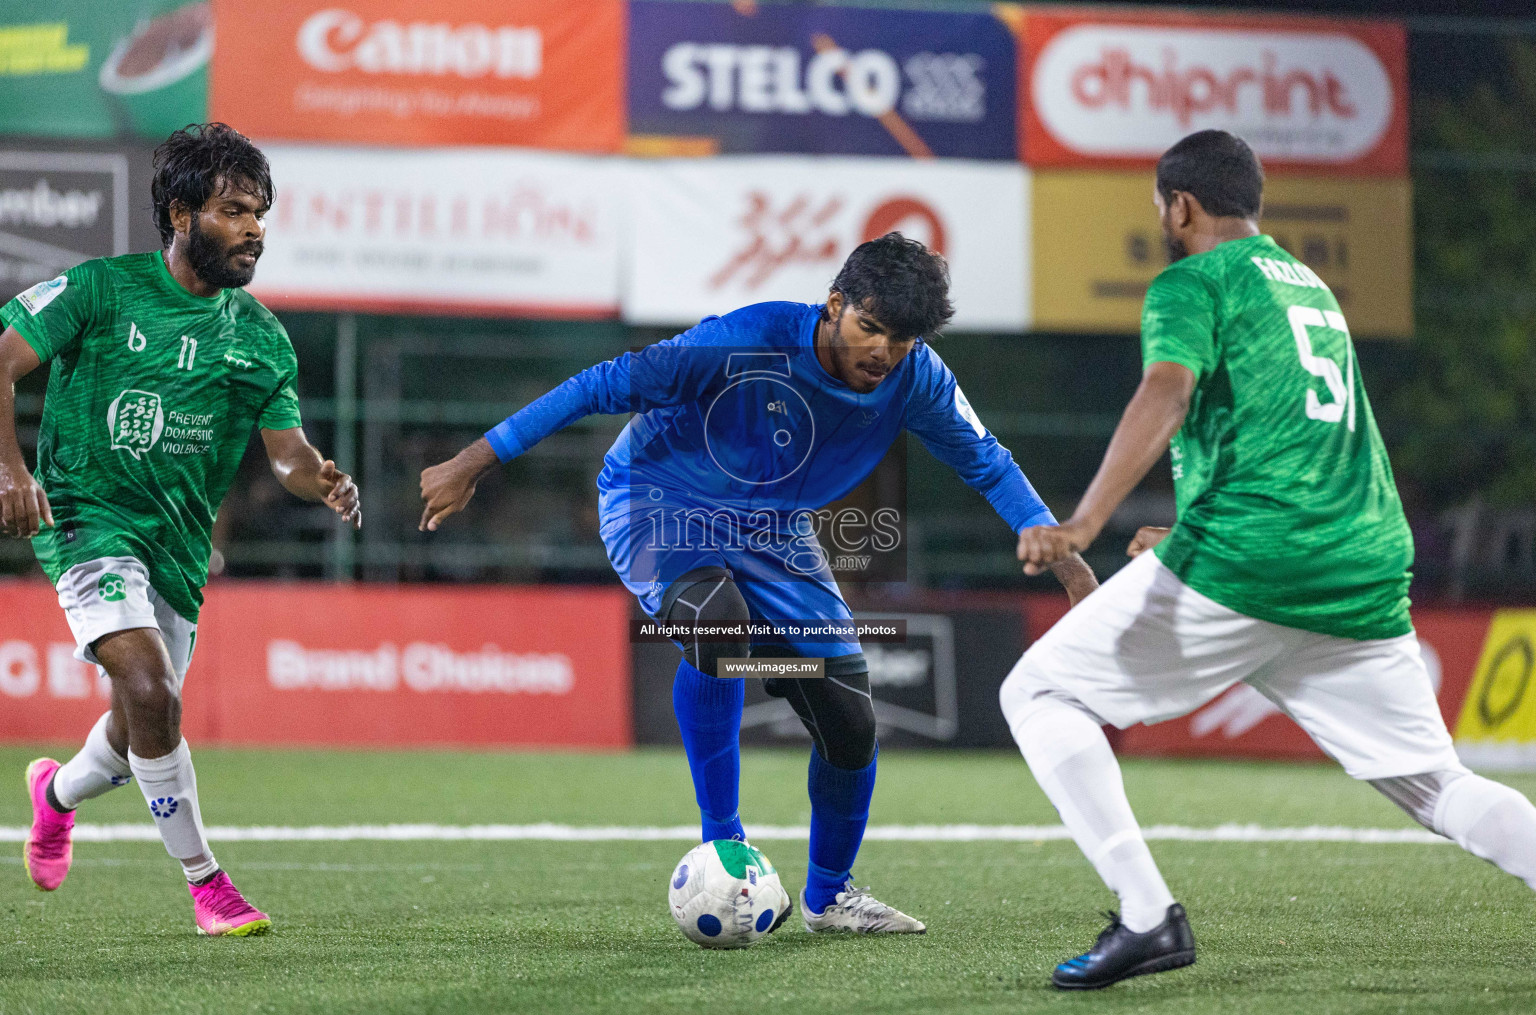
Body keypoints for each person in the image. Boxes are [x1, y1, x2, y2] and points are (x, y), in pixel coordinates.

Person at [421, 233, 1097, 934]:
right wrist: (474, 461)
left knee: (849, 717)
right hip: (660, 501)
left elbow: (987, 462)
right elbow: (600, 383)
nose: (883, 353)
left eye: (901, 340)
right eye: (870, 328)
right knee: (718, 627)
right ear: (834, 305)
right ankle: (724, 842)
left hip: (776, 533)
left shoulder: (917, 377)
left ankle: (829, 897)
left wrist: (1073, 571)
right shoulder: (743, 341)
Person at [1002, 129, 1536, 989]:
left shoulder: (1193, 279)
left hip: (1257, 563)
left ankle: (1149, 918)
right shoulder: (1309, 286)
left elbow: (1167, 389)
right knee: (1437, 785)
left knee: (1035, 690)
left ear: (1180, 206)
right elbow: (1298, 437)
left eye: (1160, 206)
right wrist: (1184, 532)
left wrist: (1083, 521)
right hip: (1357, 567)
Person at [1, 123, 361, 936]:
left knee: (137, 735)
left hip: (178, 550)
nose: (254, 229)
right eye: (235, 210)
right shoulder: (98, 289)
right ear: (180, 213)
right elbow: (1, 362)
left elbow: (287, 455)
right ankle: (208, 884)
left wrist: (320, 478)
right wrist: (10, 468)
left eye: (260, 213)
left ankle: (54, 796)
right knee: (152, 688)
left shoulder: (260, 338)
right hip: (87, 522)